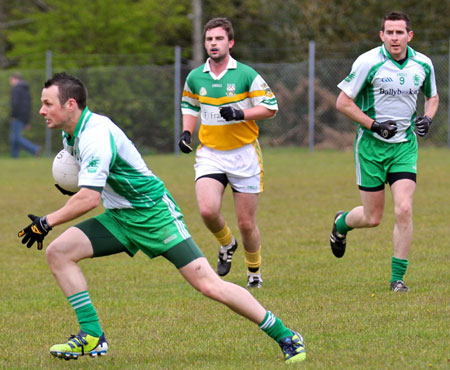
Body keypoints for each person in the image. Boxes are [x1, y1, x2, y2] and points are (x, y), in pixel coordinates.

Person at [18, 72, 305, 363]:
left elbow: (90, 198)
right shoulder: (71, 134)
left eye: (47, 103)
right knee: (59, 253)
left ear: (69, 104)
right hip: (120, 217)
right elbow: (88, 184)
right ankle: (91, 336)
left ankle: (285, 334)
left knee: (208, 285)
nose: (41, 110)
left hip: (154, 214)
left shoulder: (95, 135)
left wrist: (46, 222)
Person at [330, 11, 439, 292]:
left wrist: (427, 118)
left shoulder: (423, 64)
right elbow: (342, 102)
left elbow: (433, 97)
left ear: (409, 36)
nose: (394, 37)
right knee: (372, 218)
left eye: (399, 32)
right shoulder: (368, 62)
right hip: (370, 148)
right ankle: (341, 223)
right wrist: (374, 125)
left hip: (404, 146)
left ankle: (397, 279)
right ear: (382, 36)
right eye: (389, 32)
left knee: (404, 208)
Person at [179, 18, 278, 288]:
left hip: (244, 154)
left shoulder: (246, 74)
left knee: (247, 223)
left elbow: (270, 106)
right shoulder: (196, 76)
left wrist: (241, 113)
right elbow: (189, 105)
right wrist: (187, 133)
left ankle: (254, 272)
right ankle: (227, 243)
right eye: (209, 39)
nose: (213, 43)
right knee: (207, 210)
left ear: (230, 43)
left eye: (219, 39)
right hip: (210, 152)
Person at [9, 73, 40, 158]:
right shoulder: (25, 90)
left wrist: (13, 116)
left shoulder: (16, 89)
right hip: (24, 117)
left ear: (15, 79)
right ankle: (14, 157)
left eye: (11, 80)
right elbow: (28, 106)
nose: (11, 82)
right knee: (13, 138)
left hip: (17, 116)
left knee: (16, 138)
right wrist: (27, 121)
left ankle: (34, 149)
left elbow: (15, 104)